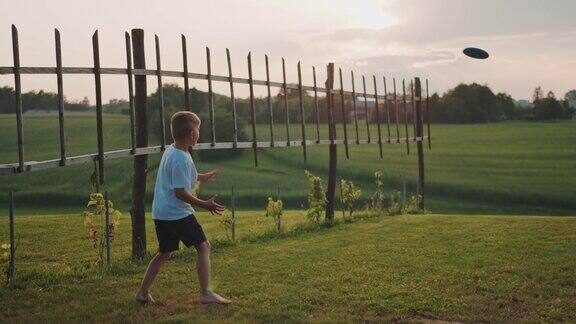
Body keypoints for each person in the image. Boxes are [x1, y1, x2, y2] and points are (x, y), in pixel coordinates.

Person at [135, 111, 230, 305]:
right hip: (176, 213)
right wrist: (205, 204)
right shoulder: (181, 158)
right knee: (204, 247)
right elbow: (180, 192)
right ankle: (206, 293)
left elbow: (185, 175)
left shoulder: (174, 150)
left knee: (165, 253)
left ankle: (142, 294)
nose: (199, 134)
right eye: (198, 131)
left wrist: (203, 177)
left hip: (162, 213)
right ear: (192, 135)